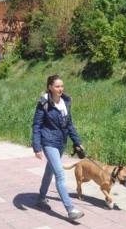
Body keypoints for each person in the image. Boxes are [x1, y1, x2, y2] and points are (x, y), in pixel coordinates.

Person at [32, 74, 85, 221]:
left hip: (61, 142)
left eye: (62, 86)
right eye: (57, 86)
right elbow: (36, 125)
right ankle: (70, 210)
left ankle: (41, 198)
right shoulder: (44, 103)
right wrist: (37, 146)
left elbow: (69, 124)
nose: (60, 89)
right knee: (60, 175)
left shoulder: (66, 102)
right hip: (48, 142)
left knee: (50, 170)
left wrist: (77, 142)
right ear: (50, 87)